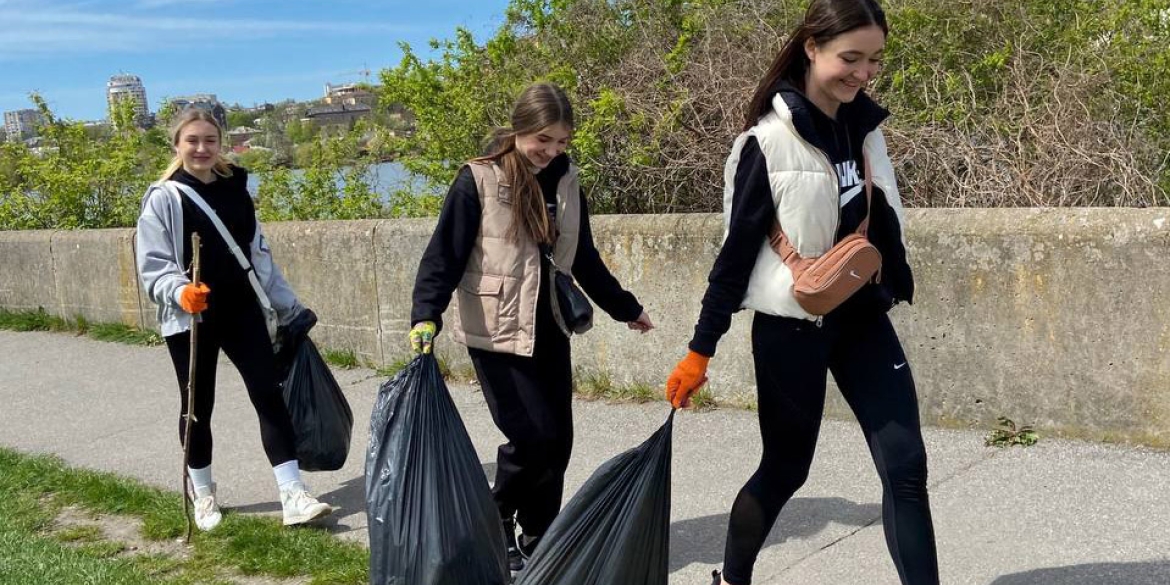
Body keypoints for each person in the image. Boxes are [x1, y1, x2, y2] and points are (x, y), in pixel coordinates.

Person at [663, 1, 938, 583]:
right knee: (786, 469)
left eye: (874, 61)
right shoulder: (766, 144)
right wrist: (699, 351)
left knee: (907, 467)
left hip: (862, 317)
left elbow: (881, 212)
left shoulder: (865, 129)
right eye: (850, 58)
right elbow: (734, 257)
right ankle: (732, 576)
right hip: (792, 326)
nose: (863, 74)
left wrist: (895, 277)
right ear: (812, 48)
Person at [409, 82, 654, 573]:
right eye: (543, 139)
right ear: (519, 129)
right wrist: (425, 315)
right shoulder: (477, 180)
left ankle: (540, 534)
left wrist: (624, 307)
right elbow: (445, 255)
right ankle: (495, 520)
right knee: (530, 436)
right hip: (496, 330)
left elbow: (583, 258)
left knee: (557, 440)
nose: (551, 151)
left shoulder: (566, 180)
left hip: (550, 327)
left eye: (562, 142)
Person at [136, 108, 333, 532]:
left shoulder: (236, 191)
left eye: (210, 140)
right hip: (193, 318)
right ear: (177, 145)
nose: (202, 148)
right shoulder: (164, 198)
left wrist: (288, 307)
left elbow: (259, 257)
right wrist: (179, 291)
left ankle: (293, 494)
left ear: (220, 143)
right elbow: (153, 265)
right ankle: (203, 494)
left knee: (268, 394)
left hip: (243, 310)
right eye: (193, 140)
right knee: (197, 406)